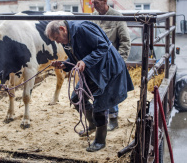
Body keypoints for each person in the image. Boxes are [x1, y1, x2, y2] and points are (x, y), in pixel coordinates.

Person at [45, 20, 134, 152]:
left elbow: (103, 46)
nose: (57, 42)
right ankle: (92, 124)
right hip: (93, 70)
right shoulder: (67, 39)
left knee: (100, 105)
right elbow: (77, 56)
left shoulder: (82, 29)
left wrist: (85, 61)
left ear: (63, 29)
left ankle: (100, 141)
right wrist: (66, 64)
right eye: (55, 40)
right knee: (76, 98)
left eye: (57, 38)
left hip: (107, 69)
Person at [91, 0, 131, 131]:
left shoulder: (116, 17)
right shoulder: (93, 17)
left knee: (110, 89)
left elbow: (125, 41)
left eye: (96, 2)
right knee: (97, 89)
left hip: (111, 61)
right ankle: (99, 118)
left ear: (104, 1)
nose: (93, 5)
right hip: (95, 60)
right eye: (92, 2)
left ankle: (113, 119)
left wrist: (120, 60)